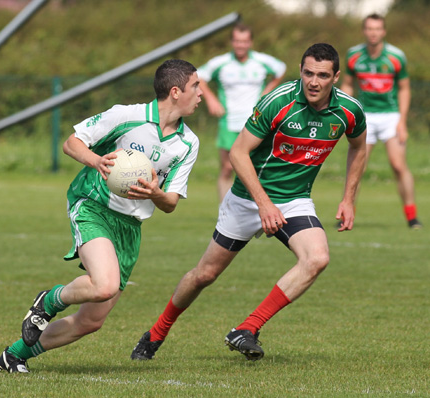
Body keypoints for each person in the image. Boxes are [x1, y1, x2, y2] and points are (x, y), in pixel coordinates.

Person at [131, 43, 367, 362]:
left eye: (322, 75)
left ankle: (248, 329)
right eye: (308, 73)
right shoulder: (278, 102)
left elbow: (359, 147)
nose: (314, 81)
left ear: (335, 77)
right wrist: (263, 204)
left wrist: (348, 199)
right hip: (247, 198)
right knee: (205, 275)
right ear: (300, 72)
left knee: (317, 258)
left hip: (294, 201)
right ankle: (156, 333)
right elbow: (238, 153)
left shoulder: (349, 111)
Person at [0, 59, 202, 373]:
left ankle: (13, 355)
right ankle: (49, 300)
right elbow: (71, 143)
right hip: (93, 207)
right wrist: (96, 161)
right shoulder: (126, 116)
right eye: (196, 86)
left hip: (130, 226)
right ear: (176, 92)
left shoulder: (188, 144)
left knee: (90, 321)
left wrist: (154, 193)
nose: (201, 93)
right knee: (104, 285)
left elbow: (170, 202)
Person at [340, 13, 422, 229]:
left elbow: (404, 88)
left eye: (377, 29)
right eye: (369, 28)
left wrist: (402, 121)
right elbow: (347, 84)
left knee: (397, 165)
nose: (373, 33)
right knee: (358, 166)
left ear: (383, 32)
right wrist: (346, 112)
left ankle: (412, 216)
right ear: (364, 31)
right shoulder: (354, 55)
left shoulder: (396, 56)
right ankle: (348, 214)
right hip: (365, 116)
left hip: (390, 116)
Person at [198, 23, 286, 202]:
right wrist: (211, 99)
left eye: (244, 41)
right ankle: (225, 209)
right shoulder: (221, 63)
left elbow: (281, 69)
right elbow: (198, 76)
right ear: (232, 42)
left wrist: (268, 91)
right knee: (227, 168)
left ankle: (258, 206)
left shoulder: (261, 61)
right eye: (237, 41)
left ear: (251, 42)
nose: (241, 45)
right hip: (229, 122)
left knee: (256, 167)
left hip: (256, 123)